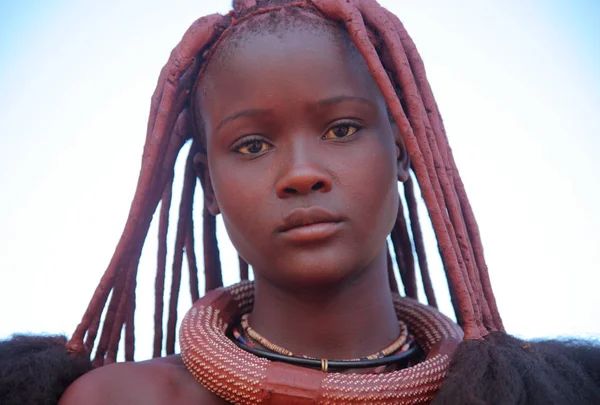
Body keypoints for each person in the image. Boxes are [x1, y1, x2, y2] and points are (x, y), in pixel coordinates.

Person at [2, 1, 599, 404]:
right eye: (253, 143)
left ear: (402, 152)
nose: (301, 174)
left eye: (342, 129)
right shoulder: (123, 401)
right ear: (209, 186)